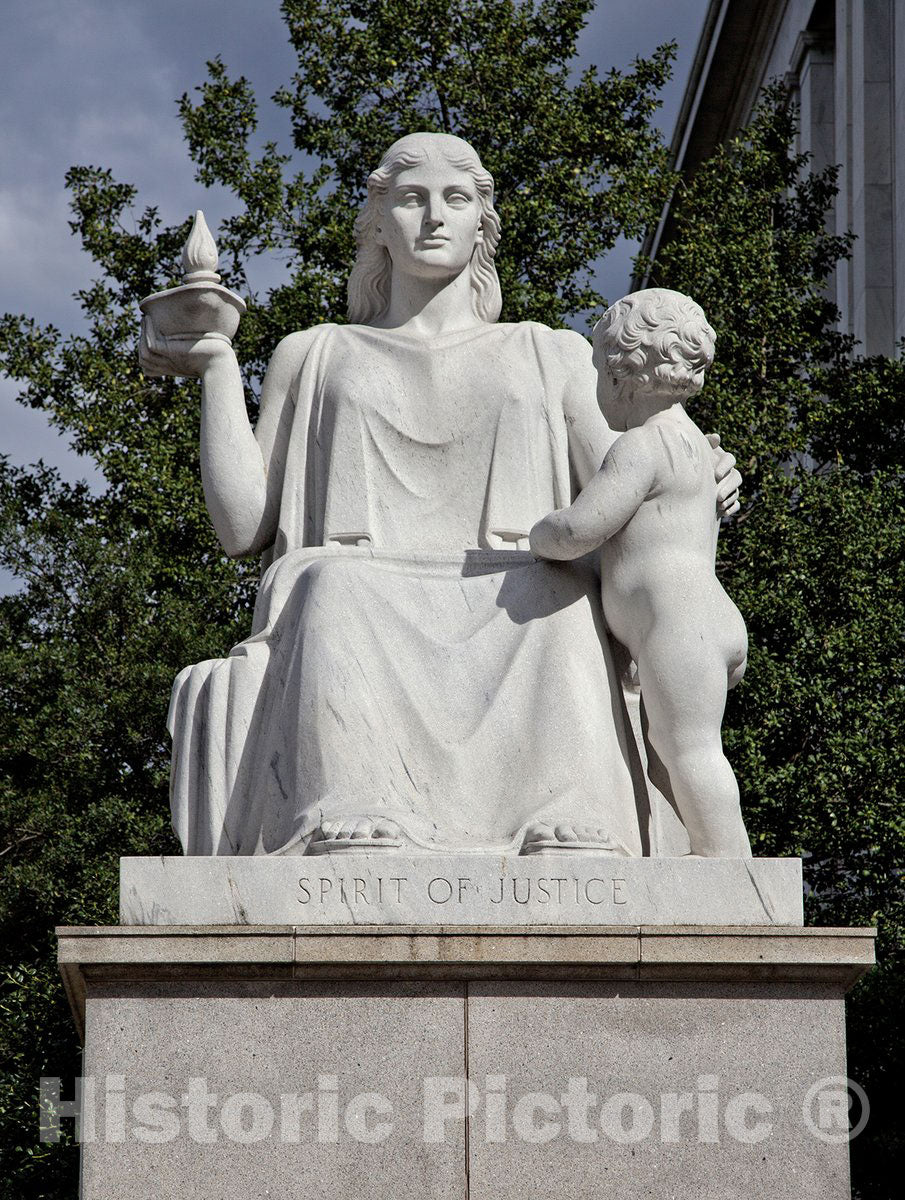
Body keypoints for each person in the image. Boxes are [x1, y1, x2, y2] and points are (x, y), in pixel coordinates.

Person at [140, 134, 742, 857]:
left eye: (455, 200)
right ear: (377, 223)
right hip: (358, 585)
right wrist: (215, 369)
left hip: (518, 586)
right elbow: (241, 527)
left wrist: (707, 471)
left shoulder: (548, 353)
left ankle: (569, 816)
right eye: (410, 199)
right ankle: (354, 808)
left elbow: (635, 467)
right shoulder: (315, 350)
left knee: (557, 597)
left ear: (480, 224)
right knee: (335, 588)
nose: (433, 217)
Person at [529, 289, 751, 857]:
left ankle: (731, 869)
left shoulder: (641, 446)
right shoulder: (698, 448)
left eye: (602, 373)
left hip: (678, 626)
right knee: (674, 747)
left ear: (627, 373)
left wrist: (544, 531)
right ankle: (695, 855)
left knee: (689, 749)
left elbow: (584, 527)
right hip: (699, 617)